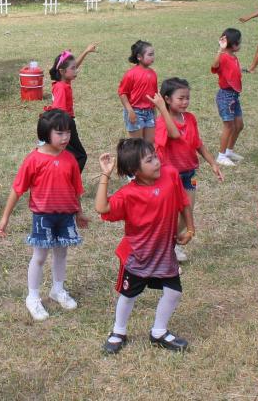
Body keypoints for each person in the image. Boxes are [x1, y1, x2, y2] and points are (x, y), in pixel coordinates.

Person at [94, 140, 193, 354]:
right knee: (128, 295)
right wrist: (105, 175)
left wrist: (190, 229)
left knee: (174, 293)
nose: (157, 162)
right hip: (137, 256)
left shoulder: (170, 175)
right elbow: (101, 207)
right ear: (134, 170)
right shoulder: (128, 194)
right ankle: (118, 332)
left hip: (164, 253)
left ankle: (159, 332)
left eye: (155, 156)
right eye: (149, 160)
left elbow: (183, 202)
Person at [0, 109, 86, 321]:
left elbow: (76, 189)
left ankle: (58, 289)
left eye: (68, 132)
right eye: (59, 133)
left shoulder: (70, 159)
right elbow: (17, 189)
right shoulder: (33, 160)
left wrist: (79, 213)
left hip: (66, 216)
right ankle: (33, 297)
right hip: (43, 217)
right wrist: (5, 217)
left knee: (61, 254)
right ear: (46, 133)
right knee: (40, 257)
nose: (65, 138)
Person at [153, 78, 223, 262]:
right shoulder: (161, 122)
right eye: (181, 98)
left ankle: (169, 243)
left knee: (187, 212)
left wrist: (213, 163)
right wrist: (162, 110)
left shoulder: (190, 118)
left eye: (187, 98)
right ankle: (164, 248)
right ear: (167, 99)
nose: (185, 102)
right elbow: (174, 134)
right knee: (170, 214)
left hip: (189, 174)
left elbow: (198, 143)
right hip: (170, 176)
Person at [44, 43, 99, 172]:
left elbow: (72, 66)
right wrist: (63, 132)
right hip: (65, 125)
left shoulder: (63, 81)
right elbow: (59, 111)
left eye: (75, 68)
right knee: (80, 156)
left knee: (68, 156)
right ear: (62, 71)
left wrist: (86, 51)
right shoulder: (61, 88)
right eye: (73, 68)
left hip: (64, 125)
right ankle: (69, 180)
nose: (76, 70)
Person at [211, 28, 244, 167]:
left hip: (234, 96)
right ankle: (221, 156)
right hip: (226, 96)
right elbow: (214, 66)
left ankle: (229, 151)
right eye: (239, 42)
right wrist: (221, 49)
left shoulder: (233, 57)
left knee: (239, 125)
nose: (241, 44)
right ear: (234, 44)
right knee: (229, 126)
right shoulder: (223, 56)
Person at [118, 40, 158, 142]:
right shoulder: (130, 74)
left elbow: (154, 95)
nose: (153, 57)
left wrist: (154, 112)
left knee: (149, 144)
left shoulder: (153, 73)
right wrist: (130, 110)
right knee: (137, 145)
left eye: (153, 54)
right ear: (139, 57)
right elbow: (122, 93)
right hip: (135, 112)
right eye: (150, 55)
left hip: (149, 112)